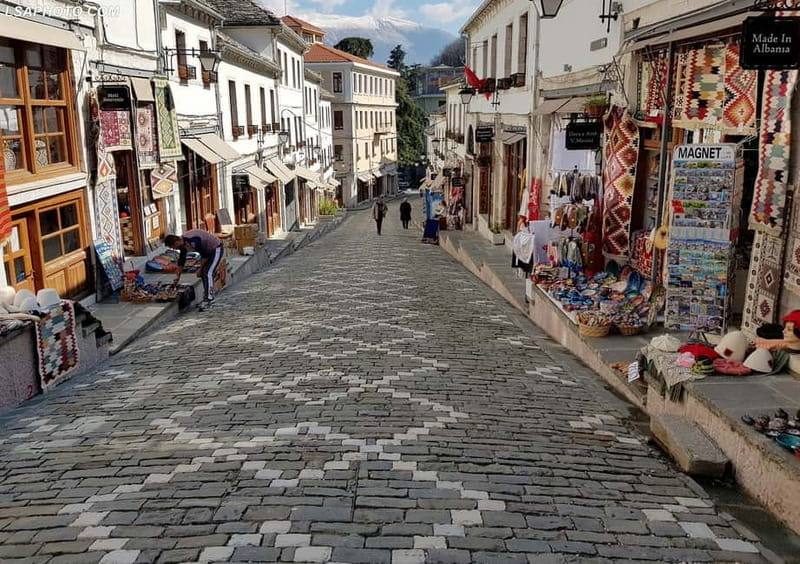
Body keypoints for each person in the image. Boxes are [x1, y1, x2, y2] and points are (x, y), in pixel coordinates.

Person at [165, 230, 223, 311]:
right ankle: (206, 297)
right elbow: (181, 261)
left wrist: (200, 269)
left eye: (173, 247)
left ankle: (209, 299)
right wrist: (177, 277)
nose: (174, 249)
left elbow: (205, 256)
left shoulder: (193, 241)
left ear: (176, 242)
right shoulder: (183, 244)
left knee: (208, 273)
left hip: (216, 249)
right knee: (204, 273)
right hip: (207, 252)